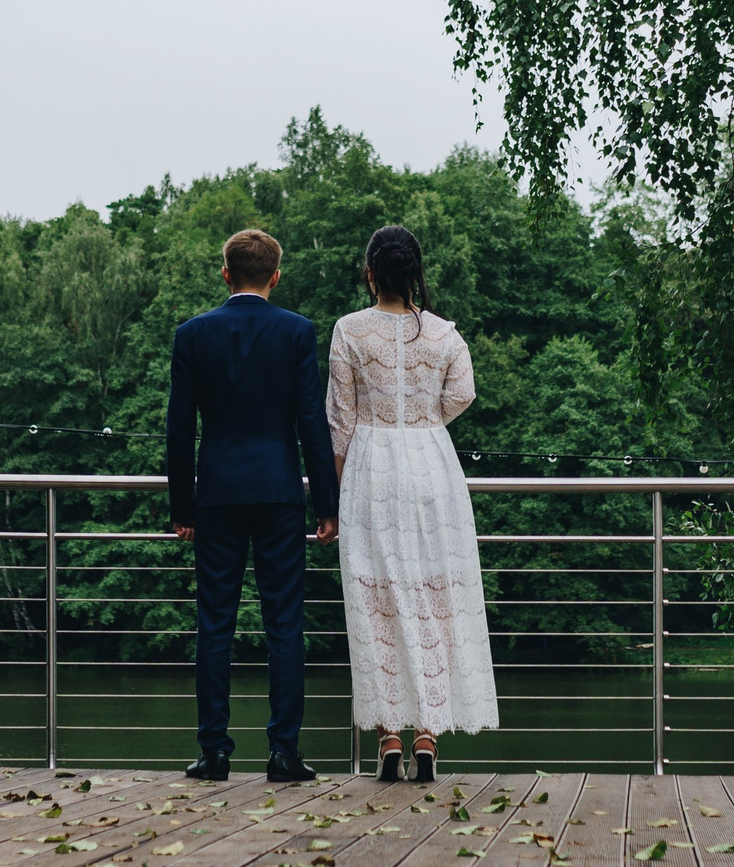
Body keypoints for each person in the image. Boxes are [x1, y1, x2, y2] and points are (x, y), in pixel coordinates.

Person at [167, 228, 340, 783]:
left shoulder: (192, 335)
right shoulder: (296, 332)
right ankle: (284, 753)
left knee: (214, 623)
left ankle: (213, 752)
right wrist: (326, 506)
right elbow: (313, 423)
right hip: (279, 493)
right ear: (275, 276)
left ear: (225, 274)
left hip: (216, 495)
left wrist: (183, 507)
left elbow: (178, 430)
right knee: (285, 623)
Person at [327, 224, 497, 782]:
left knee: (376, 601)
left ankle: (389, 739)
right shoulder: (446, 334)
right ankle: (427, 734)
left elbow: (340, 419)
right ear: (415, 272)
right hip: (432, 469)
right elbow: (463, 393)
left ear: (370, 272)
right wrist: (424, 425)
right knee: (432, 596)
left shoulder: (349, 331)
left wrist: (337, 490)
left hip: (372, 469)